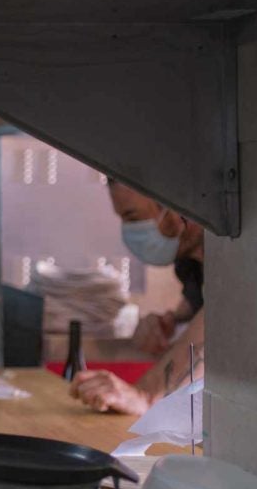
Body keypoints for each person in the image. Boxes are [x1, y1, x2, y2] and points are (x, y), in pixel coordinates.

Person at [68, 178, 205, 415]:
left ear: (179, 210)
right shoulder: (191, 264)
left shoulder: (239, 250)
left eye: (132, 217)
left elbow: (222, 318)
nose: (128, 230)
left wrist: (145, 395)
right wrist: (169, 322)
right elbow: (199, 309)